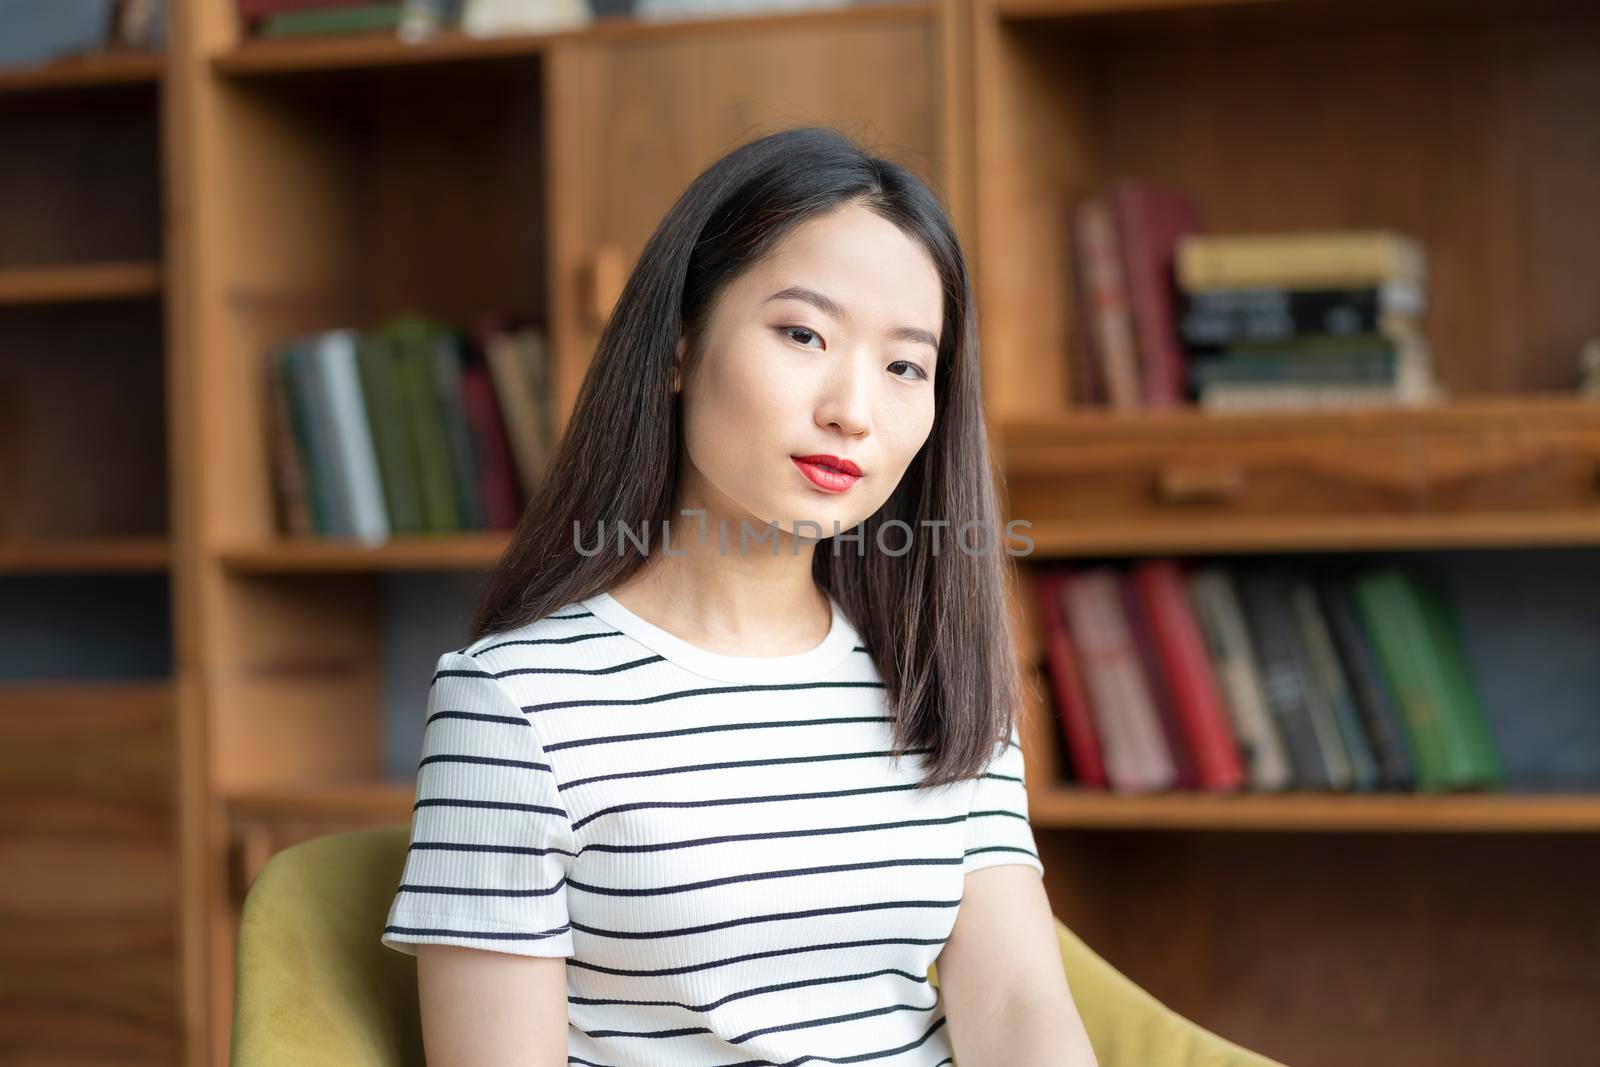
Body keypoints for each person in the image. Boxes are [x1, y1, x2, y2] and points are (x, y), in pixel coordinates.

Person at [379, 125, 1099, 1067]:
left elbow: (1016, 1009)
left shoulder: (937, 679)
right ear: (678, 349)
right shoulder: (516, 704)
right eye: (803, 334)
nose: (854, 407)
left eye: (905, 366)